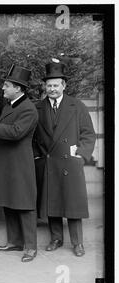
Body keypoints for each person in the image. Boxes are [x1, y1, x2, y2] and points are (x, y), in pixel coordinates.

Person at [33, 61, 96, 257]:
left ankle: (78, 243)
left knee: (73, 203)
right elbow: (33, 136)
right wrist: (37, 155)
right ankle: (56, 238)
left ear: (64, 86)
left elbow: (88, 134)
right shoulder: (38, 107)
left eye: (56, 85)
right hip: (49, 161)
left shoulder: (77, 106)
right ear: (45, 86)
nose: (52, 89)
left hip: (70, 162)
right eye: (49, 85)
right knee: (53, 201)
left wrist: (81, 155)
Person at [0, 65, 38, 262]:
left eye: (7, 86)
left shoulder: (28, 109)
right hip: (6, 162)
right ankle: (14, 241)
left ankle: (31, 246)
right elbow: (6, 130)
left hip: (20, 164)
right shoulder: (9, 106)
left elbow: (16, 132)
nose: (3, 89)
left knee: (25, 204)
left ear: (18, 89)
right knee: (9, 203)